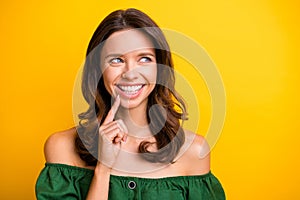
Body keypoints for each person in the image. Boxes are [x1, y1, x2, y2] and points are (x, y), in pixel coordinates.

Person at [35, 8, 225, 200]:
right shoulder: (61, 147)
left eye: (144, 59)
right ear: (98, 70)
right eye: (116, 60)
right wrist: (103, 168)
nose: (131, 73)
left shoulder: (195, 151)